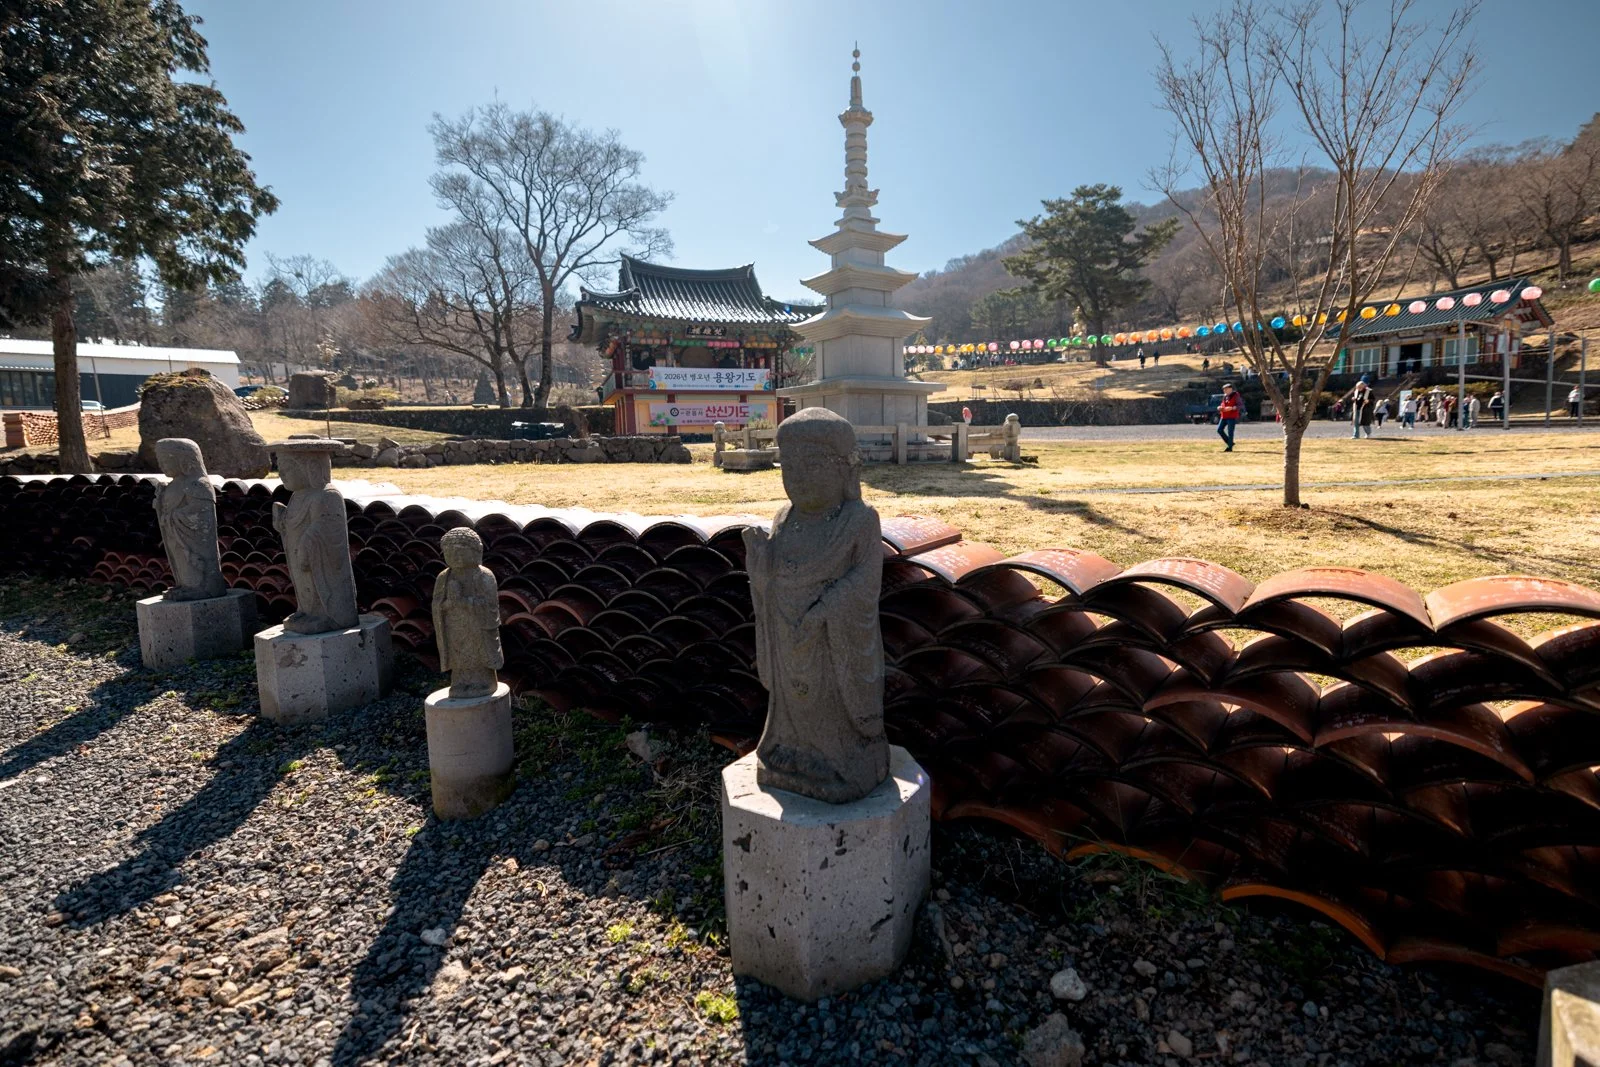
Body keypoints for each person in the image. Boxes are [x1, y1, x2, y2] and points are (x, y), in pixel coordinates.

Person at [1217, 382, 1242, 452]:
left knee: (1230, 432)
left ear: (1230, 389)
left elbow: (1240, 405)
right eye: (1224, 390)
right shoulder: (1225, 396)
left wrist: (1232, 408)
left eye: (1226, 389)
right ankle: (1230, 442)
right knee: (1219, 430)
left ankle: (1230, 447)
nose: (1224, 391)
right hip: (1224, 416)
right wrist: (1220, 407)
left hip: (1231, 416)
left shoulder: (1236, 395)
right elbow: (1223, 404)